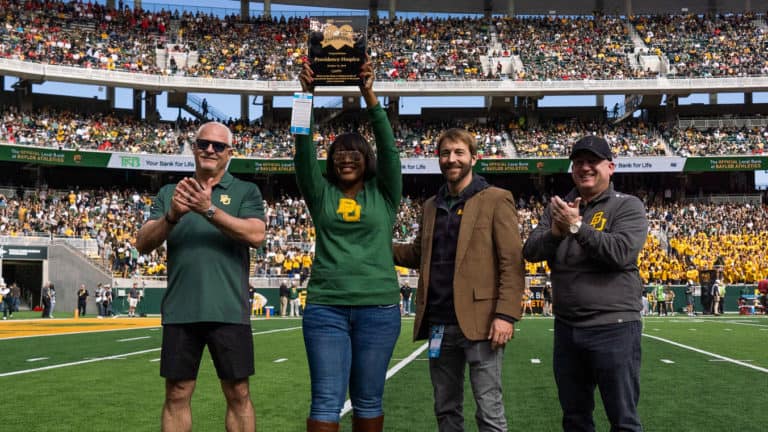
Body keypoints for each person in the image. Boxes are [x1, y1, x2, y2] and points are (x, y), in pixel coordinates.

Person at [136, 120, 266, 432]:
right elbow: (142, 243)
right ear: (194, 148)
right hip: (182, 308)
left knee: (238, 392)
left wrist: (209, 210)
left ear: (229, 152)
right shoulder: (170, 192)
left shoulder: (245, 190)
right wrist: (172, 215)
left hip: (229, 309)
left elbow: (256, 234)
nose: (210, 149)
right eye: (203, 143)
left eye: (218, 146)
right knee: (177, 393)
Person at [393, 127, 524, 432]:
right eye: (445, 153)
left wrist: (505, 315)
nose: (451, 159)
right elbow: (416, 254)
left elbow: (512, 261)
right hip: (439, 320)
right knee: (445, 409)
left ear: (474, 158)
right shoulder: (430, 205)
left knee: (489, 410)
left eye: (458, 153)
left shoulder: (496, 199)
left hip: (481, 322)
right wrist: (375, 244)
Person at [296, 58, 401, 432]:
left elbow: (389, 150)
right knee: (326, 399)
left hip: (379, 308)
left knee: (369, 398)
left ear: (367, 159)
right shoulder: (319, 193)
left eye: (355, 151)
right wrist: (304, 95)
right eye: (339, 151)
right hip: (327, 309)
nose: (346, 156)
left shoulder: (385, 194)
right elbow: (302, 148)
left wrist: (369, 93)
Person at [522, 135, 648, 432]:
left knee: (623, 420)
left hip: (614, 326)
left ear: (611, 167)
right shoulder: (558, 207)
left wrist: (577, 227)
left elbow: (619, 252)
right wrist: (555, 232)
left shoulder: (628, 206)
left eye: (593, 161)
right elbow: (530, 251)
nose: (585, 168)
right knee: (575, 419)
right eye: (579, 162)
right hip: (567, 328)